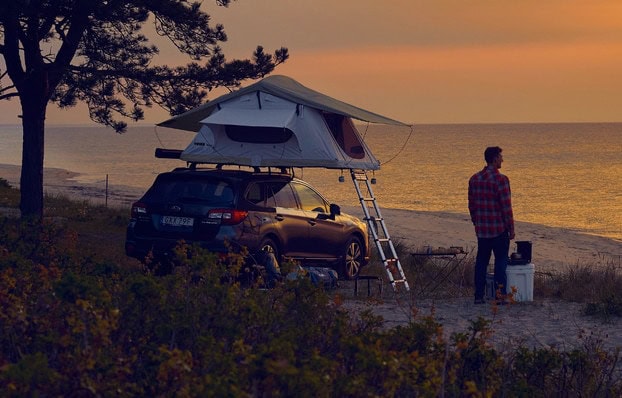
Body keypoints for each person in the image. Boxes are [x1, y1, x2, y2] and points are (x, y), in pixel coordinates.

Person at [468, 146, 515, 304]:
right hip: (498, 229)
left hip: (482, 230)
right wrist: (511, 228)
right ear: (495, 159)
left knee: (481, 261)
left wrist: (477, 223)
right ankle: (500, 296)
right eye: (501, 157)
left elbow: (472, 206)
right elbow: (506, 207)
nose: (503, 159)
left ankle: (479, 295)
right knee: (501, 261)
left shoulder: (474, 179)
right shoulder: (501, 180)